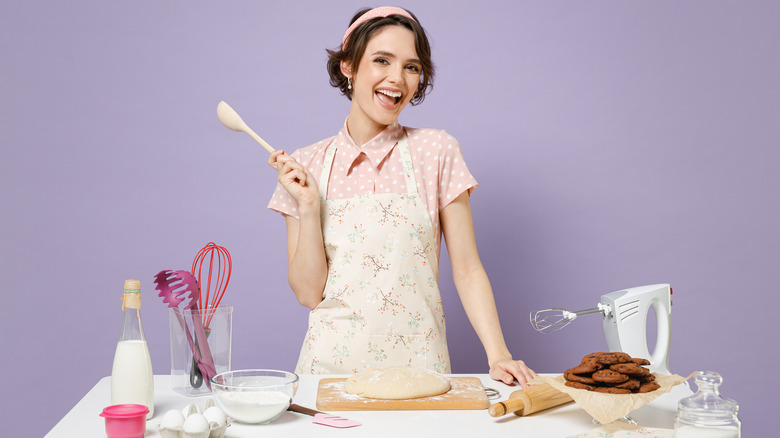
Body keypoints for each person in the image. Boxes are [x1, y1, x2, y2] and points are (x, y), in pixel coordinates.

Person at [267, 6, 536, 386]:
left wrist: (499, 355)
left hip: (420, 371)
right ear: (348, 66)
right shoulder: (305, 165)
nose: (398, 79)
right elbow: (309, 294)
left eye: (411, 66)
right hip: (326, 378)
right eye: (381, 60)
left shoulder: (436, 151)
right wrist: (310, 207)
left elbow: (468, 269)